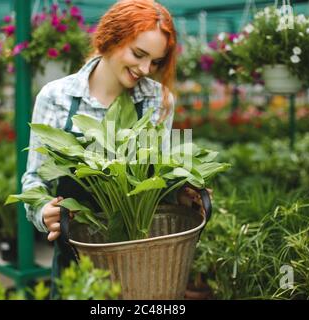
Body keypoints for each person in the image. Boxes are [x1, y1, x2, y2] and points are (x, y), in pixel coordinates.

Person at [21, 0, 208, 296]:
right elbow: (34, 181)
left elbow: (159, 180)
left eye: (156, 61)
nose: (146, 69)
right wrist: (43, 211)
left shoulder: (159, 100)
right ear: (110, 38)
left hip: (143, 261)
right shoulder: (55, 97)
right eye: (138, 54)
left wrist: (182, 193)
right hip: (77, 261)